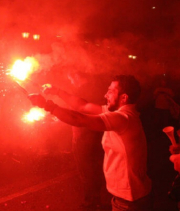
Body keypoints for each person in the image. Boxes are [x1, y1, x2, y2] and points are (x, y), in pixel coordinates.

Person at [28, 75, 153, 210]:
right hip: (132, 198)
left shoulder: (123, 118)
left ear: (124, 98)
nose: (106, 95)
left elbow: (79, 119)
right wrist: (57, 91)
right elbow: (83, 106)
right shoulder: (120, 113)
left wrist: (47, 105)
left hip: (130, 203)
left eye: (111, 91)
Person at [66, 71, 106, 209]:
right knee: (95, 168)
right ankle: (97, 198)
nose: (70, 80)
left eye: (70, 77)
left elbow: (76, 114)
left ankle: (90, 203)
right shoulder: (95, 89)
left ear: (76, 75)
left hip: (83, 137)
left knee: (86, 170)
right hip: (96, 135)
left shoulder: (79, 92)